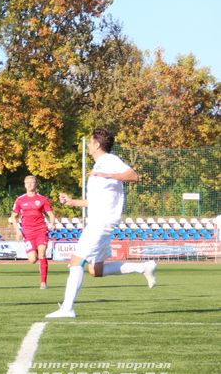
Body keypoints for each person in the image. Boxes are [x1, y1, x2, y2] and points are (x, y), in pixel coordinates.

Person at [46, 129, 156, 319]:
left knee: (75, 261)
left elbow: (133, 175)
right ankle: (143, 267)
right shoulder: (99, 166)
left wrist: (107, 175)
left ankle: (67, 308)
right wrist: (72, 202)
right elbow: (94, 201)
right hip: (100, 220)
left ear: (97, 144)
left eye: (90, 142)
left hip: (101, 222)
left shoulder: (109, 161)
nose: (88, 146)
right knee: (95, 270)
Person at [9, 175, 56, 289]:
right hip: (28, 232)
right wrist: (17, 230)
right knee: (32, 259)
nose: (30, 184)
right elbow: (13, 216)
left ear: (36, 184)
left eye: (32, 182)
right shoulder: (20, 200)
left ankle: (43, 282)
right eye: (27, 182)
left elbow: (50, 214)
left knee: (42, 253)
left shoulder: (42, 199)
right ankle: (35, 255)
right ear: (24, 185)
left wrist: (52, 223)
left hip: (41, 229)